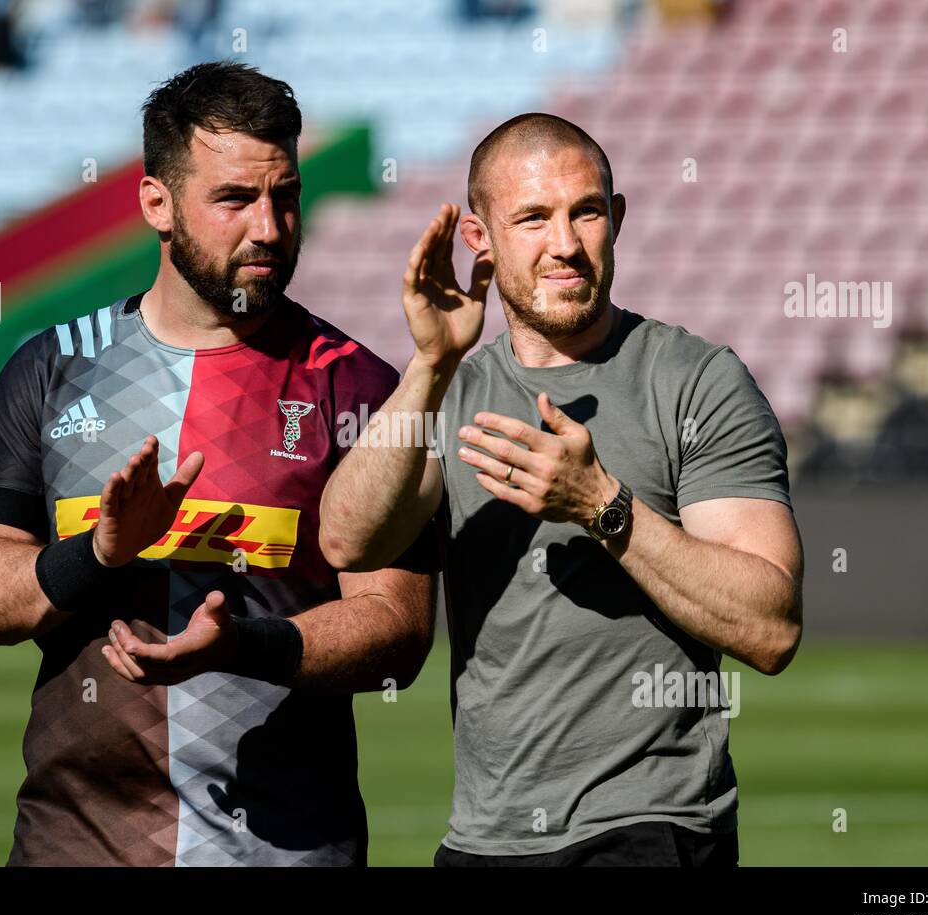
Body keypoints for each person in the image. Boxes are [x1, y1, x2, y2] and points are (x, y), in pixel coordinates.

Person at [0, 61, 434, 866]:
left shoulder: (363, 387)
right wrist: (98, 555)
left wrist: (243, 644)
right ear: (155, 204)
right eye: (235, 199)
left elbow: (399, 630)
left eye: (286, 196)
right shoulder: (53, 367)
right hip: (75, 849)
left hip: (289, 851)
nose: (268, 228)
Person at [319, 112, 804, 866]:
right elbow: (349, 539)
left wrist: (603, 508)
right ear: (478, 239)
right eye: (533, 218)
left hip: (653, 828)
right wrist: (427, 366)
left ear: (618, 218)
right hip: (484, 840)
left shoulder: (697, 380)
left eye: (586, 212)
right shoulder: (451, 388)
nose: (566, 244)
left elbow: (771, 629)